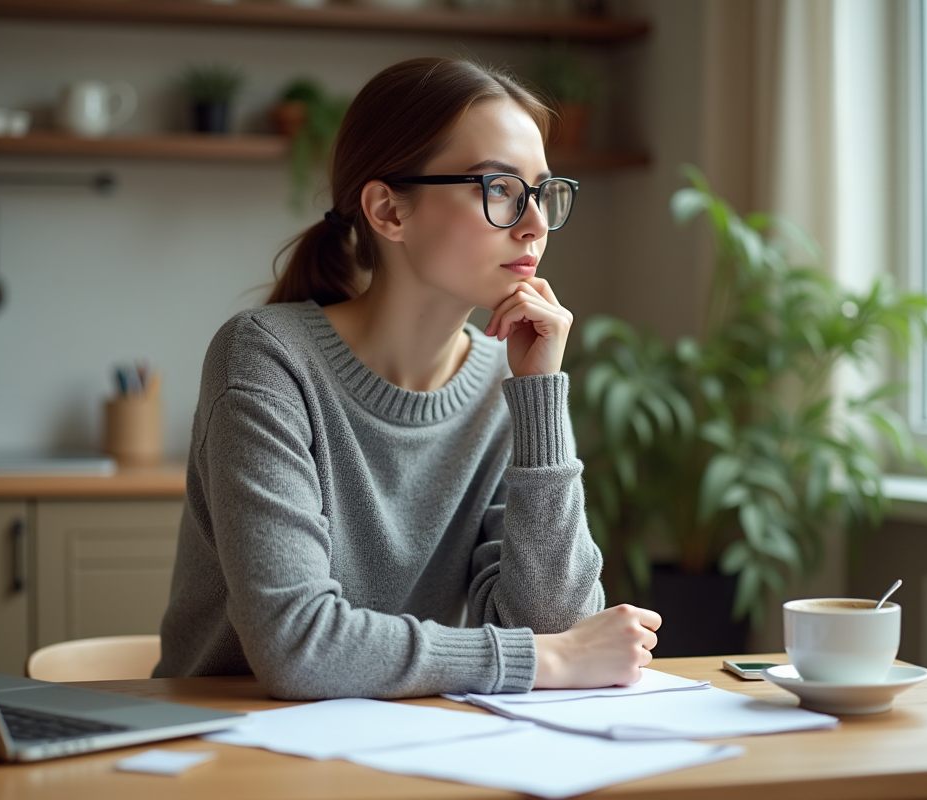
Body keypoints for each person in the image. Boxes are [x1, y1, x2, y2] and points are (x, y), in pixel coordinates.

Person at [153, 56, 662, 700]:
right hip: (232, 749)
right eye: (499, 189)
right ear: (389, 210)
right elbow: (298, 646)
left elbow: (554, 624)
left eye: (541, 191)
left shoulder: (501, 381)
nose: (534, 223)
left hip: (402, 748)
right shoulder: (265, 357)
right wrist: (549, 661)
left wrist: (540, 403)